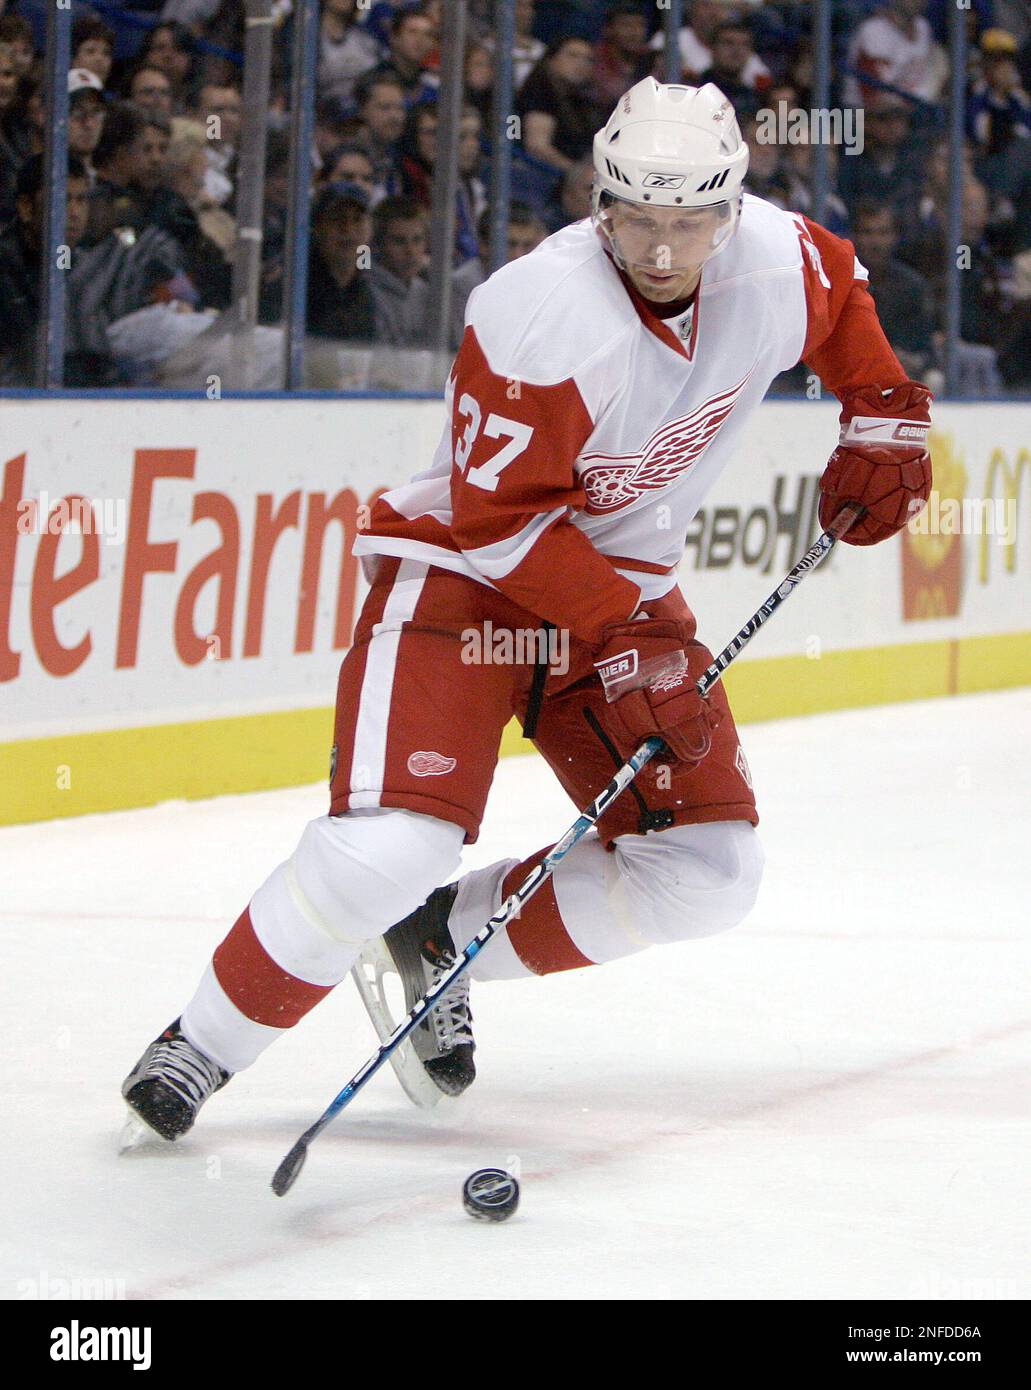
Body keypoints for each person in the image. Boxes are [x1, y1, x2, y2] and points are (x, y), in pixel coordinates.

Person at [121, 78, 932, 1142]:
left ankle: (436, 944)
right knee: (390, 845)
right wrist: (635, 641)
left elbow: (843, 299)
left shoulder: (778, 259)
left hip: (619, 596)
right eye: (635, 217)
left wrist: (881, 419)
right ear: (601, 199)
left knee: (706, 875)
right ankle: (204, 1041)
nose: (657, 248)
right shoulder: (539, 310)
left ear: (729, 210)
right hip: (464, 581)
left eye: (687, 221)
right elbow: (497, 518)